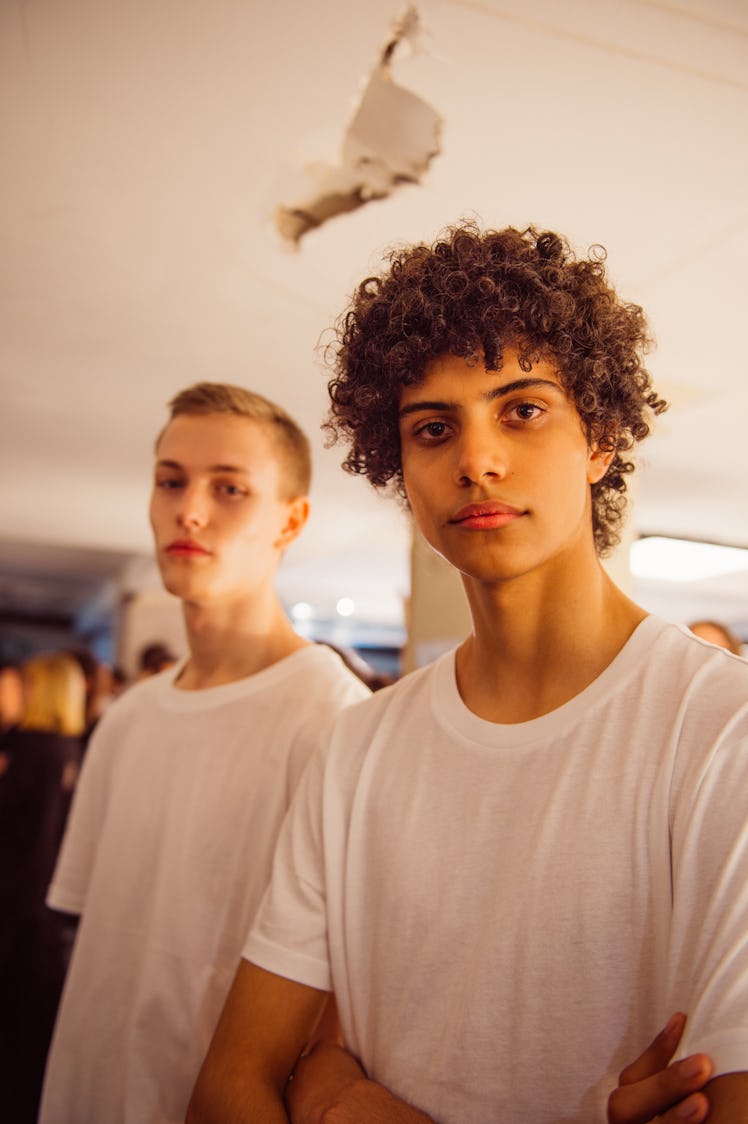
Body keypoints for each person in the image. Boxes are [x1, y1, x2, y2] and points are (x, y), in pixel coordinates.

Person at [188, 225, 748, 1123]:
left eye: (522, 410)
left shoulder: (722, 731)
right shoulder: (358, 747)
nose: (476, 460)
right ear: (400, 465)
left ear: (599, 438)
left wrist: (340, 1104)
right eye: (433, 428)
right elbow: (225, 1088)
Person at [38, 383, 369, 1124]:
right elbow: (96, 941)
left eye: (230, 489)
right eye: (171, 482)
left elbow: (338, 1009)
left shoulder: (334, 721)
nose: (189, 510)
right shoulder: (127, 718)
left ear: (291, 520)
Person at [0, 651, 86, 1124]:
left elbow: (29, 847)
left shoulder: (36, 750)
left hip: (23, 911)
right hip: (41, 912)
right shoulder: (64, 748)